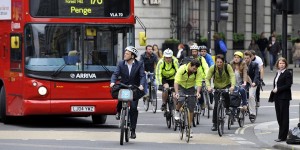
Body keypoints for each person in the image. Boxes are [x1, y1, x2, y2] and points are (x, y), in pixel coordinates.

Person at [110, 46, 145, 139]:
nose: (125, 55)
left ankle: (133, 130)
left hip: (134, 88)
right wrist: (112, 82)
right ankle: (118, 111)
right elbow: (115, 74)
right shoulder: (121, 63)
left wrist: (141, 85)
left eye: (127, 53)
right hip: (124, 86)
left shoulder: (139, 64)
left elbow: (142, 76)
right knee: (120, 98)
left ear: (133, 56)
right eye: (125, 53)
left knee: (133, 108)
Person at [205, 54, 236, 131]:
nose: (219, 64)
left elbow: (232, 76)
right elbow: (207, 78)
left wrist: (232, 86)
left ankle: (227, 108)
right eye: (217, 62)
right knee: (216, 105)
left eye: (220, 62)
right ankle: (215, 124)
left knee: (226, 94)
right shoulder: (213, 68)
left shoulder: (227, 67)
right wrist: (208, 87)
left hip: (227, 86)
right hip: (217, 87)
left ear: (224, 62)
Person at [174, 59, 203, 138]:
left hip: (190, 88)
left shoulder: (198, 71)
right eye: (194, 68)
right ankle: (177, 111)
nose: (195, 70)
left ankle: (189, 127)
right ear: (190, 65)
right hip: (181, 87)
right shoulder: (182, 69)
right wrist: (176, 93)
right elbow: (176, 81)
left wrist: (197, 93)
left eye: (196, 69)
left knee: (191, 108)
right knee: (181, 99)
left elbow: (199, 82)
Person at [269, 57, 292, 142]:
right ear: (277, 65)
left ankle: (283, 137)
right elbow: (276, 84)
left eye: (283, 63)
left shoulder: (287, 73)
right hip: (277, 97)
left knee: (284, 117)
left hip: (284, 97)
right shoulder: (278, 73)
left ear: (285, 64)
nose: (281, 65)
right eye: (280, 63)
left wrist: (278, 89)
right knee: (279, 117)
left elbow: (288, 85)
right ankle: (281, 135)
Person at [244, 50, 260, 118]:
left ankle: (252, 113)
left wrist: (254, 82)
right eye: (245, 58)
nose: (246, 59)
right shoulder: (242, 64)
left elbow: (257, 75)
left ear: (250, 58)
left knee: (251, 96)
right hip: (245, 82)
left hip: (253, 82)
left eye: (247, 58)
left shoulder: (255, 64)